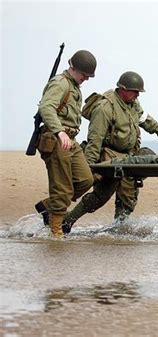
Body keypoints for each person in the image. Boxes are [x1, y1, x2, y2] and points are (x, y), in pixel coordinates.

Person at [61, 71, 158, 234]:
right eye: (135, 92)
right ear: (123, 89)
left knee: (129, 193)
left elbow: (143, 118)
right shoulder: (105, 107)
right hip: (109, 157)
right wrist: (90, 167)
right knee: (101, 195)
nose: (137, 95)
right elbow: (95, 139)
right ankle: (67, 221)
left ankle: (120, 228)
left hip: (128, 156)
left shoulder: (133, 104)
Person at [33, 50, 97, 238]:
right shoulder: (60, 83)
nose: (86, 78)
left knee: (86, 179)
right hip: (56, 139)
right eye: (85, 74)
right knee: (62, 188)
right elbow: (46, 107)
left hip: (70, 139)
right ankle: (56, 232)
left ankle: (48, 205)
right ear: (74, 68)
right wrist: (59, 132)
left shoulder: (74, 85)